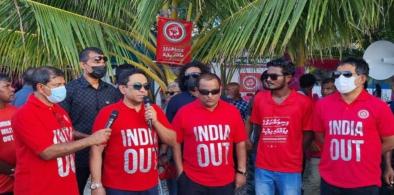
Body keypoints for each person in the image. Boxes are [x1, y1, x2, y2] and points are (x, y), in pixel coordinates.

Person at [11, 66, 112, 195]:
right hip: (39, 188)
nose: (62, 88)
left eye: (63, 84)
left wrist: (89, 136)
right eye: (57, 85)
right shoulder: (26, 114)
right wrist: (90, 140)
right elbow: (47, 152)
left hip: (66, 185)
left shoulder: (57, 109)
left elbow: (66, 132)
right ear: (41, 87)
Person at [312, 57, 394, 195]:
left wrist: (367, 154)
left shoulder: (379, 107)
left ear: (362, 79)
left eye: (347, 74)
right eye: (337, 75)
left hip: (365, 182)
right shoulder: (323, 104)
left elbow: (390, 141)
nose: (340, 78)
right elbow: (320, 136)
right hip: (330, 179)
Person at [90, 69, 176, 195]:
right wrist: (96, 184)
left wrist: (156, 122)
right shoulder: (108, 113)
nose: (143, 90)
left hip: (150, 185)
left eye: (146, 86)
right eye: (137, 86)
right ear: (123, 89)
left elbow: (173, 140)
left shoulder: (154, 110)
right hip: (118, 186)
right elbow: (96, 151)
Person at [172, 73, 247, 195]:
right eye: (204, 92)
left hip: (225, 180)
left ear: (221, 89)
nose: (210, 96)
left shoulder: (232, 111)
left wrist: (241, 171)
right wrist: (180, 172)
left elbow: (240, 143)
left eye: (215, 91)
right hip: (192, 180)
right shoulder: (184, 112)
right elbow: (175, 142)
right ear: (196, 91)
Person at [60, 47, 121, 194]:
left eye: (103, 60)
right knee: (75, 190)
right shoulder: (69, 90)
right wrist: (90, 139)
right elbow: (61, 125)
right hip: (79, 154)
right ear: (83, 65)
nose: (101, 64)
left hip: (108, 154)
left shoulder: (112, 91)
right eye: (96, 60)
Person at [249, 58, 313, 195]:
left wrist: (294, 151)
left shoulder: (304, 102)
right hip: (263, 166)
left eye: (273, 76)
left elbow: (308, 133)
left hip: (290, 167)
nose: (268, 79)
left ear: (288, 78)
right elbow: (258, 128)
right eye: (267, 75)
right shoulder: (259, 98)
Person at [302, 77, 337, 195]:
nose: (327, 91)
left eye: (330, 89)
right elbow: (309, 127)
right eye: (324, 89)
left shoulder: (344, 106)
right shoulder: (316, 104)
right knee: (314, 183)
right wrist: (311, 142)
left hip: (338, 155)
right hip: (318, 153)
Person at [0, 73, 16, 195]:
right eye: (7, 86)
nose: (12, 89)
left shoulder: (14, 111)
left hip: (17, 184)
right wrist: (12, 171)